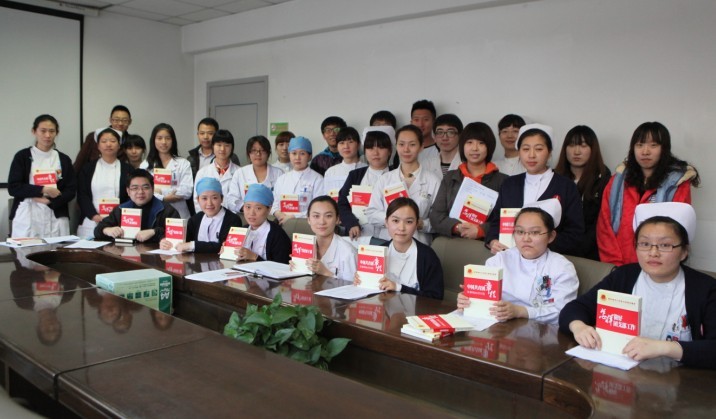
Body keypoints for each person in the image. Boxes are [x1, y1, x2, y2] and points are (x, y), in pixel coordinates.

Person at [560, 203, 716, 369]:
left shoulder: (706, 289)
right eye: (645, 244)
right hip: (622, 372)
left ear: (684, 251)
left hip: (681, 378)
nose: (653, 253)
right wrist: (579, 327)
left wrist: (665, 348)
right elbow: (575, 308)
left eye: (665, 245)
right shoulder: (624, 275)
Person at [597, 122, 699, 266]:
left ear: (664, 149)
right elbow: (604, 226)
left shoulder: (677, 184)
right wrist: (614, 265)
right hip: (618, 265)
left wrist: (655, 267)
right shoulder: (617, 181)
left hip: (658, 265)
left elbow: (677, 232)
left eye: (653, 145)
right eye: (639, 145)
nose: (645, 151)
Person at [458, 206, 579, 324]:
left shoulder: (562, 268)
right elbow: (483, 301)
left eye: (535, 232)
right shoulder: (500, 260)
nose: (526, 239)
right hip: (497, 326)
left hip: (539, 331)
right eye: (520, 232)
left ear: (551, 236)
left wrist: (520, 311)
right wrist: (469, 301)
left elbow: (562, 312)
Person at [485, 124, 584, 256]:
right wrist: (492, 241)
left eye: (538, 149)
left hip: (551, 259)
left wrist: (539, 246)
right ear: (519, 152)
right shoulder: (509, 184)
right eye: (526, 149)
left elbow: (575, 233)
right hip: (510, 257)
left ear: (549, 152)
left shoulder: (566, 186)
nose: (531, 155)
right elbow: (496, 222)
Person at [429, 122, 508, 240]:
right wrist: (457, 227)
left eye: (481, 143)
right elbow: (436, 216)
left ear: (489, 147)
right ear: (462, 146)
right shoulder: (450, 177)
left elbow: (506, 220)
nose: (475, 148)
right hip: (451, 242)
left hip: (485, 245)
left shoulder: (503, 181)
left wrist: (481, 230)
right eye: (469, 142)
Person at [355, 197, 444, 300]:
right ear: (386, 222)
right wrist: (361, 281)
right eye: (395, 221)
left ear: (416, 224)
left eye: (409, 222)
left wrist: (398, 287)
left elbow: (435, 298)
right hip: (381, 308)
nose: (401, 228)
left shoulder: (427, 256)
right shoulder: (376, 253)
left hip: (414, 310)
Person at [366, 125, 440, 245]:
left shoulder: (433, 181)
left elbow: (439, 220)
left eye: (412, 144)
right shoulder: (385, 179)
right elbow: (371, 213)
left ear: (421, 147)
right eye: (401, 144)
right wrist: (395, 219)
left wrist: (421, 224)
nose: (406, 149)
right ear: (396, 146)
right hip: (387, 242)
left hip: (419, 244)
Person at [8, 114, 77, 238]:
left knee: (57, 248)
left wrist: (51, 201)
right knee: (28, 248)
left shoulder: (63, 159)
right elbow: (14, 187)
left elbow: (71, 190)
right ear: (34, 131)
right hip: (28, 213)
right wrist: (43, 190)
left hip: (56, 213)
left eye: (52, 131)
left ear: (57, 133)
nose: (47, 135)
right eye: (43, 131)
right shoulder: (22, 156)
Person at [554, 125, 611, 260]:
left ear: (593, 149)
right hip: (558, 250)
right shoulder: (554, 178)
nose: (577, 151)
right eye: (572, 145)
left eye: (583, 146)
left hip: (592, 252)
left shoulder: (604, 179)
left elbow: (602, 221)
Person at [95, 169, 180, 243]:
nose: (140, 192)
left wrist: (154, 232)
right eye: (135, 188)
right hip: (125, 254)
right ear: (128, 191)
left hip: (155, 255)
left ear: (153, 189)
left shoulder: (166, 210)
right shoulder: (120, 209)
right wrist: (107, 230)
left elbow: (179, 236)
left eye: (145, 187)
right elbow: (98, 230)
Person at [76, 128, 133, 238]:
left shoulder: (128, 169)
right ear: (98, 146)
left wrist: (118, 216)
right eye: (104, 141)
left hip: (119, 221)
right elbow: (82, 195)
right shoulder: (88, 168)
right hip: (91, 220)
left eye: (113, 141)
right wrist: (94, 216)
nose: (108, 144)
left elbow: (130, 196)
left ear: (119, 145)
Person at [160, 178, 242, 253]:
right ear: (198, 200)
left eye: (214, 198)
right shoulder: (195, 219)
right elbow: (182, 241)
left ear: (222, 199)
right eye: (204, 198)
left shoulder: (233, 220)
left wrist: (192, 245)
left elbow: (226, 248)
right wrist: (166, 242)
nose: (209, 203)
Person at [338, 128, 393, 240]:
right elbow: (342, 204)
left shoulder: (398, 175)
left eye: (381, 147)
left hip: (391, 236)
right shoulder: (355, 175)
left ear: (389, 151)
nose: (375, 153)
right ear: (365, 151)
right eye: (370, 148)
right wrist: (351, 223)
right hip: (361, 235)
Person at [295, 196, 357, 281]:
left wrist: (325, 272)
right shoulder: (302, 246)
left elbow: (352, 287)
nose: (322, 222)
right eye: (316, 216)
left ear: (337, 219)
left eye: (328, 216)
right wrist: (296, 268)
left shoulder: (349, 253)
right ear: (308, 219)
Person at [140, 123, 194, 219]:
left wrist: (159, 191)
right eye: (159, 138)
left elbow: (187, 191)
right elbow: (143, 192)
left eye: (168, 138)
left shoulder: (183, 163)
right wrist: (164, 198)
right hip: (154, 214)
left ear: (173, 140)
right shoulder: (145, 165)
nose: (164, 142)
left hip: (179, 214)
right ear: (153, 140)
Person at [233, 184, 291, 264]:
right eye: (248, 207)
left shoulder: (278, 235)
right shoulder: (241, 230)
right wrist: (227, 252)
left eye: (258, 208)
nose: (251, 213)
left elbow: (281, 267)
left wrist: (254, 257)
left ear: (269, 209)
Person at [271, 136, 324, 223]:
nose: (297, 158)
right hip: (281, 222)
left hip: (306, 224)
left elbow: (318, 207)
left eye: (302, 153)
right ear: (289, 155)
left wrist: (293, 216)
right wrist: (279, 215)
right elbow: (274, 204)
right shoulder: (281, 179)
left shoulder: (318, 179)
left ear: (309, 156)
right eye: (294, 153)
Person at [226, 135, 282, 213]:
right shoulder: (240, 173)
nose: (258, 154)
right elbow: (232, 199)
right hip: (246, 216)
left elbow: (282, 200)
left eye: (262, 150)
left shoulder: (279, 174)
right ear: (248, 153)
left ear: (268, 153)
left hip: (271, 216)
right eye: (254, 150)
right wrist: (248, 209)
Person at [74, 105, 131, 173]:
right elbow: (79, 163)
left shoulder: (131, 142)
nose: (120, 123)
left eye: (124, 120)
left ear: (130, 121)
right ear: (110, 120)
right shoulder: (93, 137)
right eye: (116, 120)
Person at [194, 130, 241, 210]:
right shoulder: (202, 172)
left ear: (232, 148)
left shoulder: (240, 172)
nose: (222, 149)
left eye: (226, 145)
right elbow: (197, 200)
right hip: (208, 216)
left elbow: (242, 200)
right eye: (219, 145)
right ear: (213, 146)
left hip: (234, 216)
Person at [323, 127, 367, 197]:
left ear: (358, 144)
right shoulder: (330, 172)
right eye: (342, 143)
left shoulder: (367, 169)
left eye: (350, 142)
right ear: (337, 147)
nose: (346, 146)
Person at [421, 113, 463, 178]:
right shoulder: (425, 165)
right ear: (434, 137)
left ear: (460, 136)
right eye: (440, 132)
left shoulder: (466, 163)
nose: (445, 138)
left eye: (450, 132)